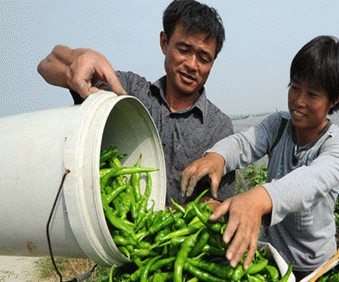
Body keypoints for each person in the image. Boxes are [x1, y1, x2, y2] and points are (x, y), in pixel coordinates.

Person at [180, 35, 339, 280]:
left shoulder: (337, 146)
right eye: (294, 87)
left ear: (333, 100)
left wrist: (259, 198)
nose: (299, 101)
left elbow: (310, 181)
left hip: (314, 267)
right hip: (272, 257)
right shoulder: (279, 125)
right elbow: (245, 143)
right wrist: (217, 156)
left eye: (312, 94)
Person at [37, 0, 235, 206]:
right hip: (114, 233)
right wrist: (79, 58)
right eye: (183, 49)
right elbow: (47, 65)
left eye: (204, 58)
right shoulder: (128, 92)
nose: (192, 65)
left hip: (179, 237)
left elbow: (219, 205)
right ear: (164, 43)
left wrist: (175, 213)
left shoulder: (219, 127)